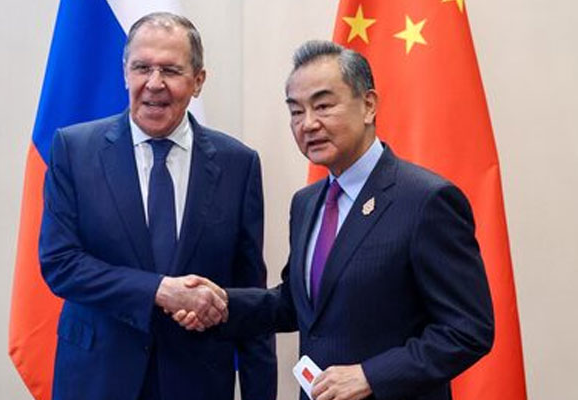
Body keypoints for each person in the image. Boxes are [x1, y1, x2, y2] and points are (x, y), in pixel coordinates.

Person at [175, 41, 494, 400]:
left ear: (369, 105)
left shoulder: (425, 200)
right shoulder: (307, 203)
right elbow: (297, 305)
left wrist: (371, 376)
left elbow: (467, 330)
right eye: (296, 111)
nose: (308, 124)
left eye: (323, 106)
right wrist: (219, 304)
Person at [39, 12, 277, 400]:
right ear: (124, 72)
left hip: (198, 381)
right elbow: (60, 264)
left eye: (171, 70)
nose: (154, 84)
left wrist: (259, 392)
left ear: (198, 81)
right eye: (142, 68)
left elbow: (249, 295)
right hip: (98, 379)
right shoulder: (74, 149)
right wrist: (160, 290)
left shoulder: (239, 164)